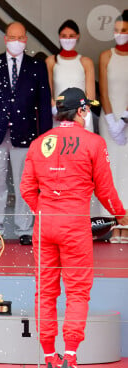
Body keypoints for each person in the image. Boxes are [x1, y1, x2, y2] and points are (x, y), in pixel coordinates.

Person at [20, 87, 128, 368]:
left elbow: (27, 190)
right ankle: (70, 355)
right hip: (75, 226)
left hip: (44, 226)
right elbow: (105, 190)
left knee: (45, 291)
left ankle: (49, 358)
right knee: (77, 292)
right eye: (88, 109)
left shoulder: (39, 142)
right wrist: (121, 215)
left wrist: (44, 210)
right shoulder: (93, 143)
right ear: (81, 110)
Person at [0, 21, 52, 245]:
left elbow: (44, 105)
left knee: (25, 185)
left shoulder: (37, 66)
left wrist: (46, 139)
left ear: (26, 40)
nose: (17, 41)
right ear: (5, 39)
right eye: (13, 37)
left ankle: (24, 230)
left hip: (26, 136)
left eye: (21, 38)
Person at [98, 9, 128, 243]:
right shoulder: (105, 56)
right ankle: (111, 222)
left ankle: (126, 223)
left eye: (124, 31)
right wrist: (111, 120)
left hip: (127, 120)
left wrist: (125, 118)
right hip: (109, 122)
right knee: (110, 173)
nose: (120, 35)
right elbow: (104, 90)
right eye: (117, 31)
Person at [45, 20, 95, 131]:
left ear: (77, 36)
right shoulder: (51, 61)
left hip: (81, 116)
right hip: (59, 116)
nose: (67, 39)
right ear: (59, 37)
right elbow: (48, 91)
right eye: (64, 36)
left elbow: (90, 96)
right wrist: (56, 110)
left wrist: (80, 114)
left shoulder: (86, 62)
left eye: (71, 36)